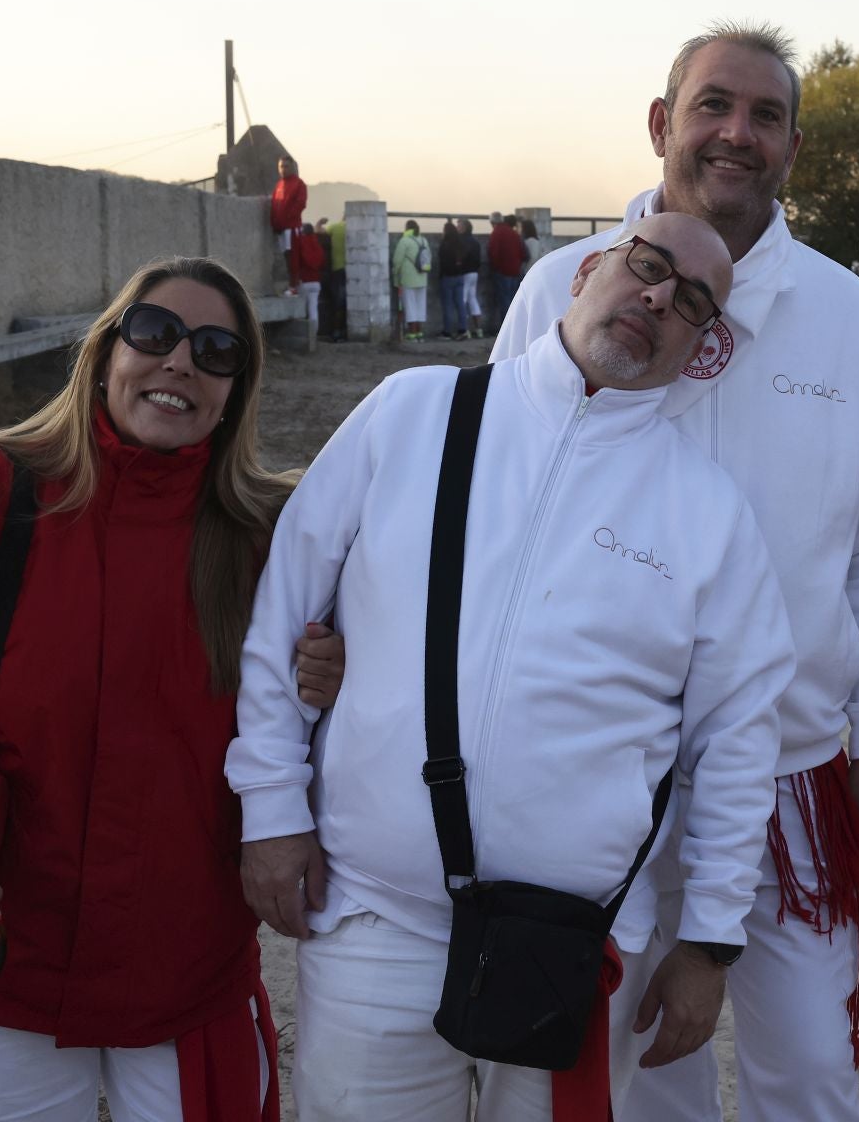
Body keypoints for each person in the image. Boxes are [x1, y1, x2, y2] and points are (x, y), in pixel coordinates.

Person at [227, 211, 795, 1122]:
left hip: (571, 948)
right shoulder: (412, 413)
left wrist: (711, 943)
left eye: (690, 300)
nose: (656, 296)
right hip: (374, 921)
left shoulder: (709, 513)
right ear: (583, 275)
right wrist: (269, 809)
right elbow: (283, 614)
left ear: (701, 349)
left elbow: (737, 739)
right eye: (644, 265)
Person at [494, 23, 859, 1122]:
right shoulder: (564, 283)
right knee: (640, 1073)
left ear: (791, 148)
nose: (737, 133)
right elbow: (492, 501)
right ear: (661, 124)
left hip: (787, 771)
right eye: (712, 105)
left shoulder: (847, 320)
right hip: (596, 768)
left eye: (766, 115)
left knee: (812, 1071)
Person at [0, 256, 348, 1121]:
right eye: (157, 333)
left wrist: (335, 675)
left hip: (185, 965)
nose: (180, 363)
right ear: (106, 350)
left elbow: (377, 693)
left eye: (215, 351)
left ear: (236, 391)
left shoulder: (273, 538)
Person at [487, 209, 529, 330]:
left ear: (492, 222)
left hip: (502, 272)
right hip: (515, 272)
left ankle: (506, 329)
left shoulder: (496, 233)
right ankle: (516, 327)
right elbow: (523, 253)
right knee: (513, 301)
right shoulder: (514, 233)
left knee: (504, 301)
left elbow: (493, 253)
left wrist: (495, 268)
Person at [272, 157, 308, 287]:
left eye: (286, 166)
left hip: (291, 227)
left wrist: (286, 220)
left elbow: (300, 204)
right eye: (281, 166)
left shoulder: (299, 184)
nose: (283, 169)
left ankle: (294, 286)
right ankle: (289, 284)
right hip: (280, 228)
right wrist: (274, 223)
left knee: (293, 256)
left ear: (292, 167)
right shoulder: (279, 185)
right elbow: (274, 205)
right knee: (284, 257)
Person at [393, 219, 430, 343]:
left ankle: (412, 334)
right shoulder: (424, 240)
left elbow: (397, 261)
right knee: (420, 306)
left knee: (410, 306)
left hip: (408, 279)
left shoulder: (404, 241)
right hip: (422, 278)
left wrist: (395, 275)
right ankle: (420, 333)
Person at [319, 215, 349, 343]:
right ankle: (344, 332)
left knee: (338, 303)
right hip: (354, 273)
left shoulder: (336, 227)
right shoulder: (352, 229)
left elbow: (319, 233)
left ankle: (336, 332)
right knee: (347, 303)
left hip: (337, 270)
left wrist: (320, 223)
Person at [292, 221, 324, 335]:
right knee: (313, 310)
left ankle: (303, 335)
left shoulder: (302, 243)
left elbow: (296, 262)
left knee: (302, 310)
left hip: (304, 281)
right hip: (316, 282)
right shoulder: (317, 245)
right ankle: (313, 335)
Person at [455, 217, 485, 339]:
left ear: (464, 227)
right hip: (474, 273)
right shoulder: (475, 241)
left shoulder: (461, 241)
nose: (457, 228)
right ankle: (478, 330)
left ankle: (465, 330)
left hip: (465, 273)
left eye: (459, 226)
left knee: (463, 300)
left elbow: (461, 257)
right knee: (473, 300)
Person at [435, 218, 465, 340]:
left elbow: (443, 263)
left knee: (448, 306)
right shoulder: (460, 244)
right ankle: (462, 330)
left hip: (447, 278)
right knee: (460, 304)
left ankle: (447, 332)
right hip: (459, 277)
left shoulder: (444, 245)